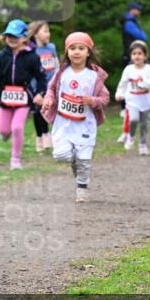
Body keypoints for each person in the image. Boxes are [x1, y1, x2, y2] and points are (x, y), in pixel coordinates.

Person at [40, 32, 109, 202]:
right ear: (66, 52)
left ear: (88, 52)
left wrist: (92, 101)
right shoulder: (62, 72)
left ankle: (82, 189)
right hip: (63, 124)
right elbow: (51, 89)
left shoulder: (94, 76)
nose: (76, 52)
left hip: (85, 125)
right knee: (61, 155)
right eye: (72, 48)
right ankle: (73, 163)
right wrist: (48, 100)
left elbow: (105, 98)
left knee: (84, 160)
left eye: (81, 48)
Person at [0, 19, 46, 169]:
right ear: (4, 37)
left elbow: (41, 77)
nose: (12, 39)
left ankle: (15, 159)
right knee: (4, 130)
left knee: (17, 127)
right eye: (9, 36)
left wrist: (40, 93)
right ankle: (5, 134)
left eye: (16, 36)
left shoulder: (32, 57)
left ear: (25, 38)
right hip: (5, 99)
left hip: (24, 98)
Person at [115, 40, 150, 155]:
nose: (137, 56)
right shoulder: (128, 69)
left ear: (145, 55)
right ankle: (131, 136)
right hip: (132, 100)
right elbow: (122, 83)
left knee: (144, 124)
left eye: (139, 53)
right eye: (134, 54)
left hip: (145, 102)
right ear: (131, 56)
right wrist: (119, 93)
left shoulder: (149, 69)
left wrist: (143, 83)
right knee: (133, 119)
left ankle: (143, 145)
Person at [27, 20, 56, 152]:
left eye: (48, 30)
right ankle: (40, 137)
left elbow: (55, 65)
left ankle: (47, 135)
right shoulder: (31, 51)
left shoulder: (51, 47)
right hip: (35, 87)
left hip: (49, 86)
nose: (48, 34)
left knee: (46, 110)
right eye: (45, 31)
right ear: (36, 34)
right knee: (37, 112)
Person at [120, 1, 147, 66]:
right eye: (137, 9)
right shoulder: (129, 23)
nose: (139, 11)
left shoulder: (130, 21)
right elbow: (143, 37)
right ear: (132, 10)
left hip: (133, 55)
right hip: (132, 57)